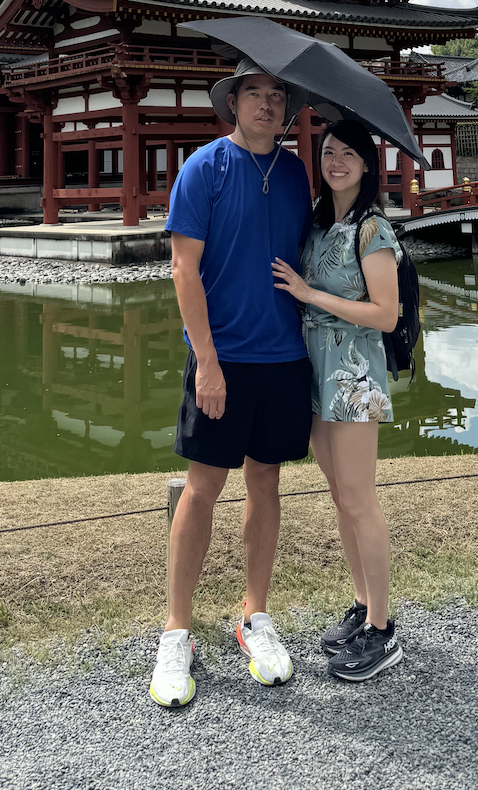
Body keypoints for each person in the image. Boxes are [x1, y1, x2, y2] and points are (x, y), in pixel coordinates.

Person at [149, 58, 314, 709]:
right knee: (203, 486)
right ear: (234, 102)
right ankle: (177, 629)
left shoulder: (298, 172)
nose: (267, 105)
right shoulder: (205, 168)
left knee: (266, 478)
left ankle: (254, 615)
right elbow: (183, 271)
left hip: (283, 356)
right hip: (223, 359)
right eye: (256, 94)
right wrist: (208, 362)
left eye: (278, 97)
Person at [271, 118, 404, 682]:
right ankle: (361, 603)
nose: (338, 160)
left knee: (359, 498)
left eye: (350, 153)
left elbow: (385, 314)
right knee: (340, 496)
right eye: (329, 151)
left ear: (369, 165)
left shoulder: (372, 228)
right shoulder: (322, 222)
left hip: (353, 373)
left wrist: (309, 293)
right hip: (317, 369)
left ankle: (383, 628)